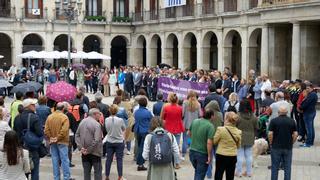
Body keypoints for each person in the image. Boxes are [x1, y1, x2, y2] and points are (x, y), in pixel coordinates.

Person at [13, 98, 43, 180]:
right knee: (35, 171)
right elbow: (40, 133)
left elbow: (14, 133)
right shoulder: (34, 117)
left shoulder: (17, 118)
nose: (35, 106)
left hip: (21, 147)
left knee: (23, 171)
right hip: (32, 147)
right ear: (28, 106)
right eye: (33, 105)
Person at [268, 106, 298, 180]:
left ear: (278, 112)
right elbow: (295, 134)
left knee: (275, 167)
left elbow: (270, 134)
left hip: (276, 147)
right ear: (287, 113)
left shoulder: (274, 121)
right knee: (287, 167)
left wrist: (271, 142)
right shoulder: (292, 121)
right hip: (288, 147)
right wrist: (292, 142)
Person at [44, 102, 71, 180]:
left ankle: (56, 178)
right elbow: (64, 130)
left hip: (53, 142)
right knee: (64, 160)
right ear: (63, 109)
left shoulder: (50, 117)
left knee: (55, 160)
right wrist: (57, 138)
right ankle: (66, 177)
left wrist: (51, 137)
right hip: (62, 141)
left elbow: (46, 130)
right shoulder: (64, 117)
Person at [75, 108, 103, 180]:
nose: (100, 115)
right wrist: (88, 150)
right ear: (94, 114)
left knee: (86, 172)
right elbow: (96, 140)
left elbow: (77, 135)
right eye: (99, 114)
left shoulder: (82, 122)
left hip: (84, 151)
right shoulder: (97, 124)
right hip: (95, 152)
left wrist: (81, 148)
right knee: (97, 172)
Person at [214, 112, 242, 180]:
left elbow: (214, 141)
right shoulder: (238, 131)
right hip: (232, 155)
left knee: (218, 174)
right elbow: (238, 146)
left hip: (221, 154)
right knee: (230, 175)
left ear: (226, 119)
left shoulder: (220, 129)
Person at [189, 108, 215, 180]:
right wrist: (210, 156)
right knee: (199, 174)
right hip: (202, 153)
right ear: (212, 116)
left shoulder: (195, 121)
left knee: (198, 172)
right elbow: (209, 142)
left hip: (192, 151)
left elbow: (189, 133)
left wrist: (195, 139)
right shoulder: (210, 126)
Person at [160, 92, 184, 168]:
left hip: (168, 128)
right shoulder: (180, 108)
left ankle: (166, 161)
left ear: (169, 99)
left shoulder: (165, 107)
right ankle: (177, 163)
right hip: (177, 128)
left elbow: (162, 118)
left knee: (167, 146)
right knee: (176, 147)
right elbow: (181, 117)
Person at [235, 100, 258, 177]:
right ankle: (249, 172)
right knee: (249, 155)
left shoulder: (237, 116)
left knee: (240, 155)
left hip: (240, 136)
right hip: (250, 137)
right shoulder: (254, 116)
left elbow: (234, 127)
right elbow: (257, 127)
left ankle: (239, 172)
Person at [104, 105, 126, 180]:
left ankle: (107, 176)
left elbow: (106, 129)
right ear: (117, 111)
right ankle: (120, 176)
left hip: (110, 140)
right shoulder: (120, 120)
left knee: (108, 159)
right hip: (119, 141)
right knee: (119, 159)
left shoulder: (106, 119)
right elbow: (123, 129)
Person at [204, 100, 223, 179]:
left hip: (209, 137)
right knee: (218, 157)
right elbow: (222, 123)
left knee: (209, 157)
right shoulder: (220, 114)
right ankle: (218, 173)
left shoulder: (207, 113)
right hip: (218, 137)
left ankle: (209, 174)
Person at [134, 96, 153, 171]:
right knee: (143, 147)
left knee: (139, 147)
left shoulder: (136, 112)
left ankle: (140, 162)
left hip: (137, 130)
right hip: (145, 131)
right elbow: (152, 120)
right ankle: (140, 164)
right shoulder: (147, 112)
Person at [182, 91, 201, 159]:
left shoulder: (185, 103)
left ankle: (183, 155)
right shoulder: (198, 104)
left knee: (185, 139)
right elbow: (200, 115)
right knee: (193, 139)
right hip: (195, 124)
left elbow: (182, 113)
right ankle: (192, 154)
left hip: (186, 123)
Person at [300, 82, 318, 147]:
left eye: (308, 88)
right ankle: (311, 142)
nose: (307, 89)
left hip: (309, 113)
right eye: (306, 88)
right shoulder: (312, 94)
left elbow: (305, 103)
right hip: (310, 112)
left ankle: (308, 143)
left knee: (309, 128)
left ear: (312, 88)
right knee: (311, 128)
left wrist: (301, 106)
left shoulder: (312, 95)